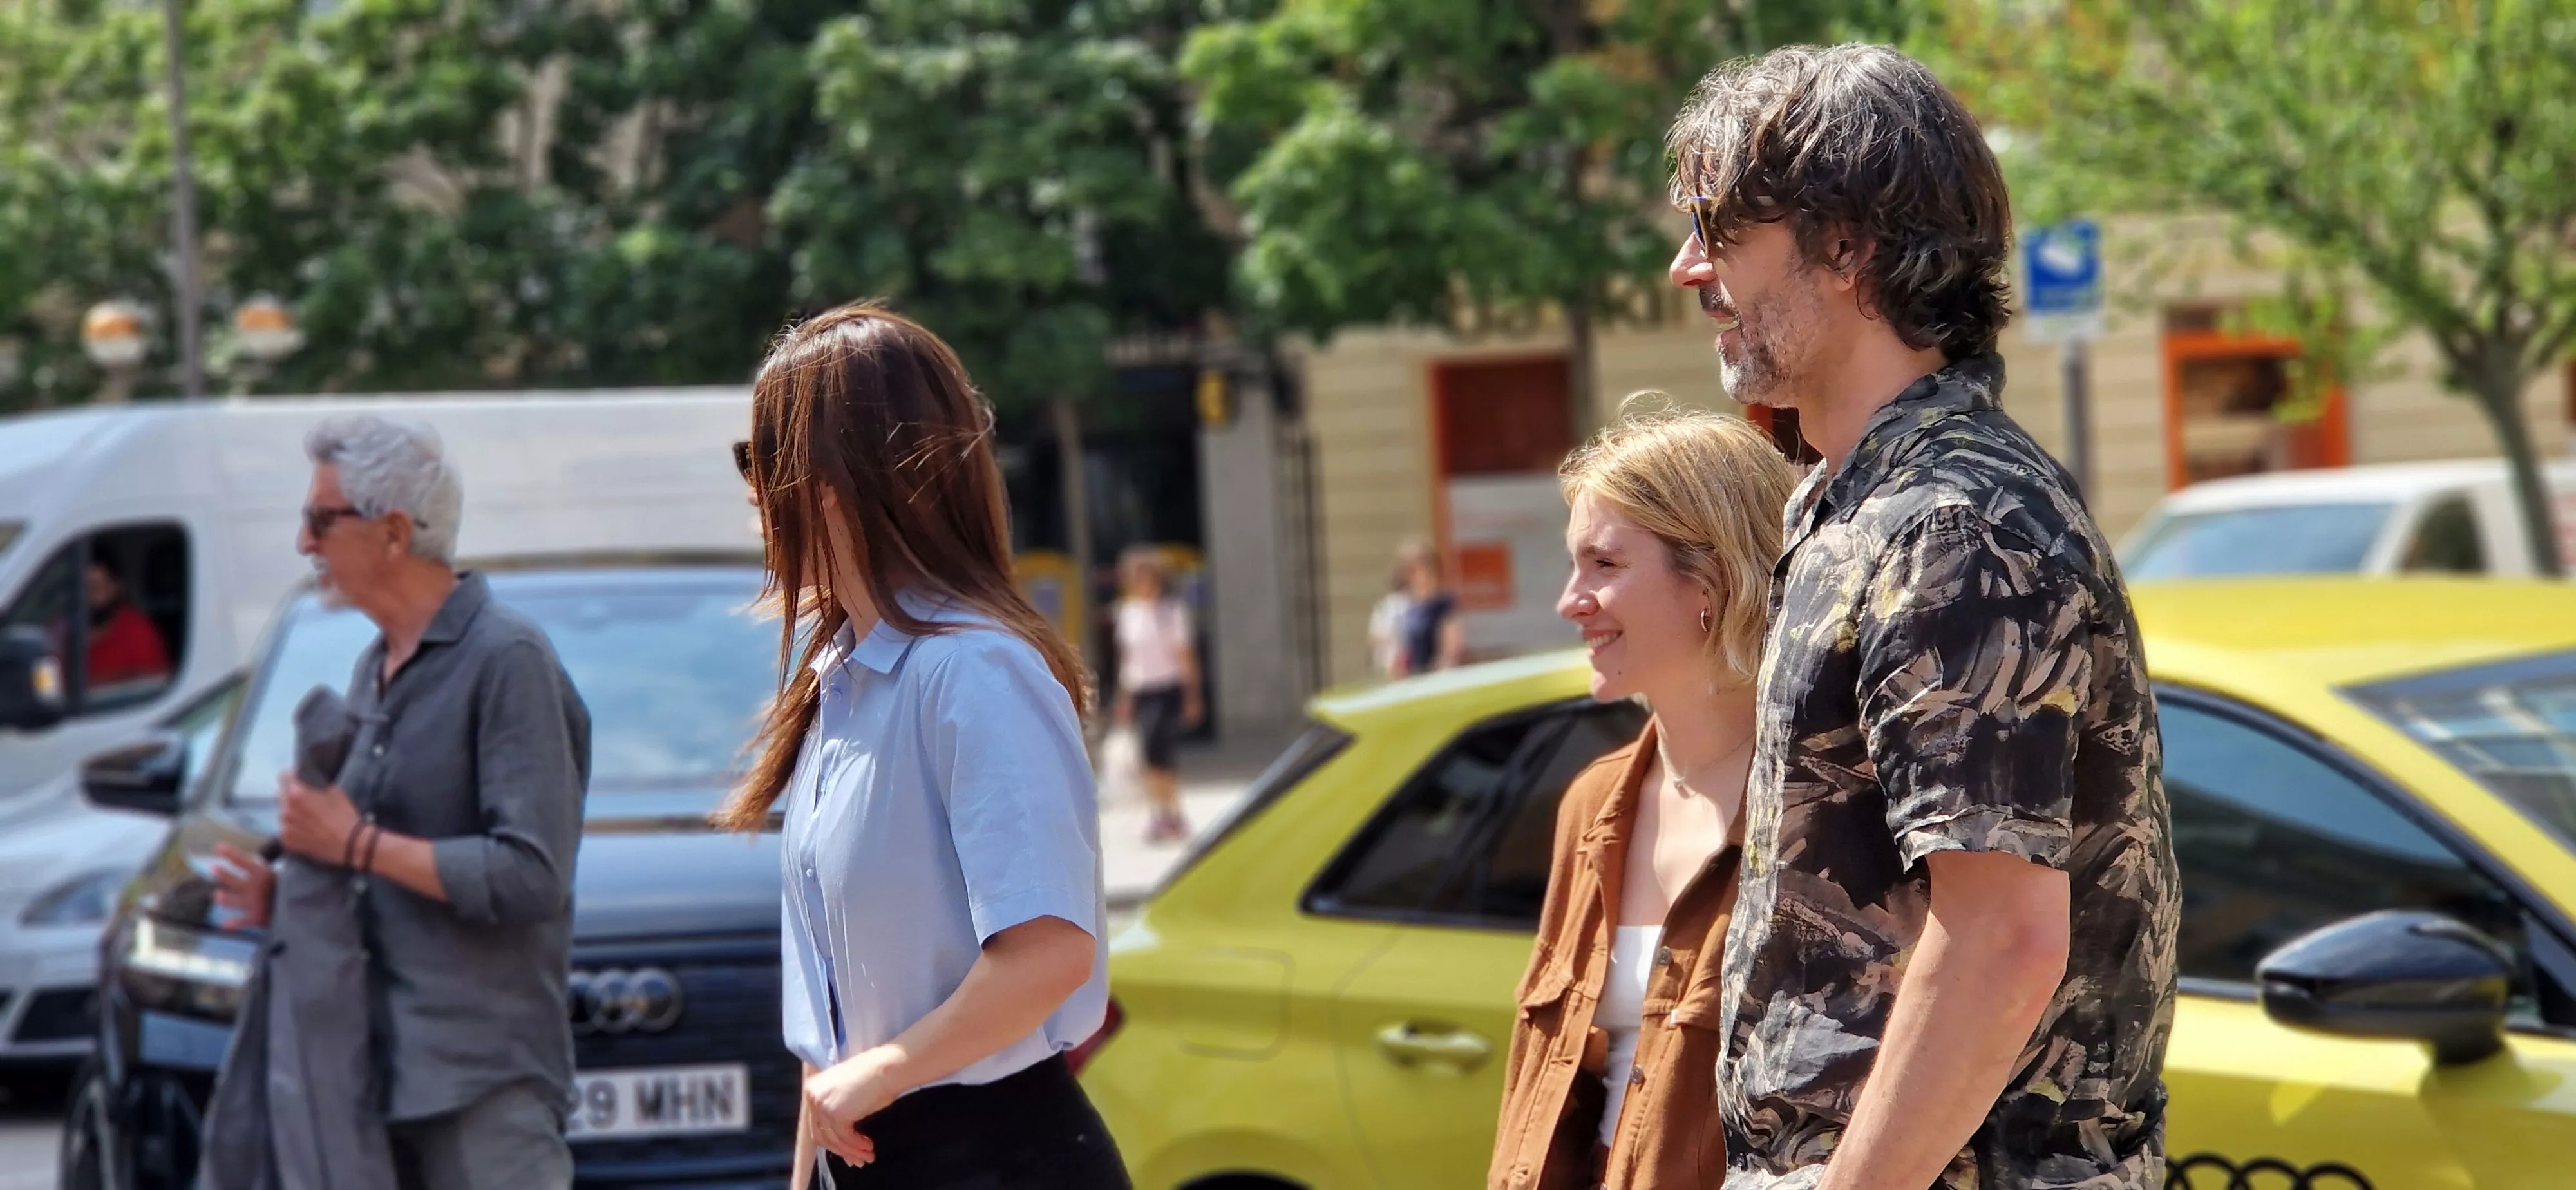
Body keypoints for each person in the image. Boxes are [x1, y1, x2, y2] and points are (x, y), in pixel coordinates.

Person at [1667, 46, 2180, 1190]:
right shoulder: (1861, 498)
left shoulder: (1951, 526)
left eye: (1717, 228)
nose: (1686, 266)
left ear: (1846, 245)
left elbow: (2001, 938)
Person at [715, 301, 1126, 1190]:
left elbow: (1052, 947)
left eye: (760, 462)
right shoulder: (844, 677)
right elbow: (830, 1032)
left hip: (997, 1157)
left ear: (826, 482)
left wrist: (887, 1069)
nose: (752, 499)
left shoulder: (972, 672)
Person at [210, 413, 593, 1190]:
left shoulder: (506, 657)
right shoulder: (374, 667)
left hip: (483, 1089)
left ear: (391, 534)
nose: (303, 544)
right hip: (372, 1080)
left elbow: (529, 875)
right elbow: (382, 861)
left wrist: (353, 845)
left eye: (321, 520)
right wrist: (283, 892)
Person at [1490, 410, 1798, 1190]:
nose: (1570, 600)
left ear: (1711, 577)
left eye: (1602, 564)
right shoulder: (1592, 806)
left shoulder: (1814, 808)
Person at [1112, 546, 1202, 844]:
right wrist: (1124, 699)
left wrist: (1193, 696)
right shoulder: (1127, 613)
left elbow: (1185, 655)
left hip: (1167, 689)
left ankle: (1172, 813)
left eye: (1146, 576)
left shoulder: (1172, 612)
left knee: (1161, 751)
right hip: (1141, 690)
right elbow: (1129, 659)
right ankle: (1163, 814)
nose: (1141, 582)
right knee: (1148, 755)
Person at [82, 561, 171, 691]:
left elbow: (152, 691)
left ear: (116, 588)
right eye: (85, 589)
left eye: (97, 587)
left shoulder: (139, 634)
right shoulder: (65, 631)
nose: (91, 596)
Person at [1393, 538, 1465, 675]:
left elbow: (1453, 647)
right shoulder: (1403, 606)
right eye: (1410, 571)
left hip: (1437, 676)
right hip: (1411, 678)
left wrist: (1441, 671)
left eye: (1420, 569)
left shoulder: (1445, 605)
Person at [1365, 551, 1415, 679]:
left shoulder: (1384, 606)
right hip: (1398, 658)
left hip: (1392, 660)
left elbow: (1373, 637)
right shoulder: (1402, 605)